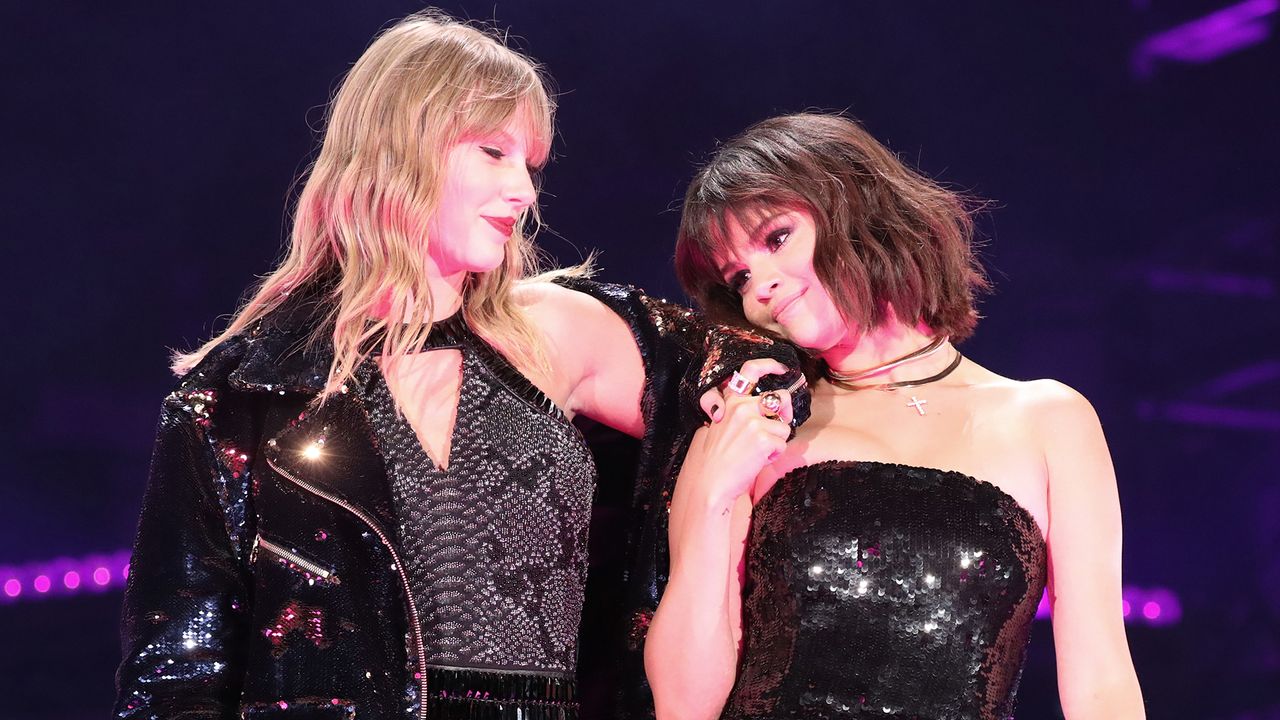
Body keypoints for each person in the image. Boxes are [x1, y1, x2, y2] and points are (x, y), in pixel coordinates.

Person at [114, 12, 803, 719]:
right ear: (400, 146)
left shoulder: (554, 330)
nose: (526, 194)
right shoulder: (241, 392)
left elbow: (765, 372)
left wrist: (712, 494)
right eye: (493, 152)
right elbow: (175, 680)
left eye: (529, 166)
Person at [645, 113, 1144, 719]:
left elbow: (1100, 680)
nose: (762, 288)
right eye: (740, 277)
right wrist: (708, 495)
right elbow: (682, 705)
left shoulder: (1048, 419)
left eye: (777, 239)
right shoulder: (758, 424)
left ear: (856, 209)